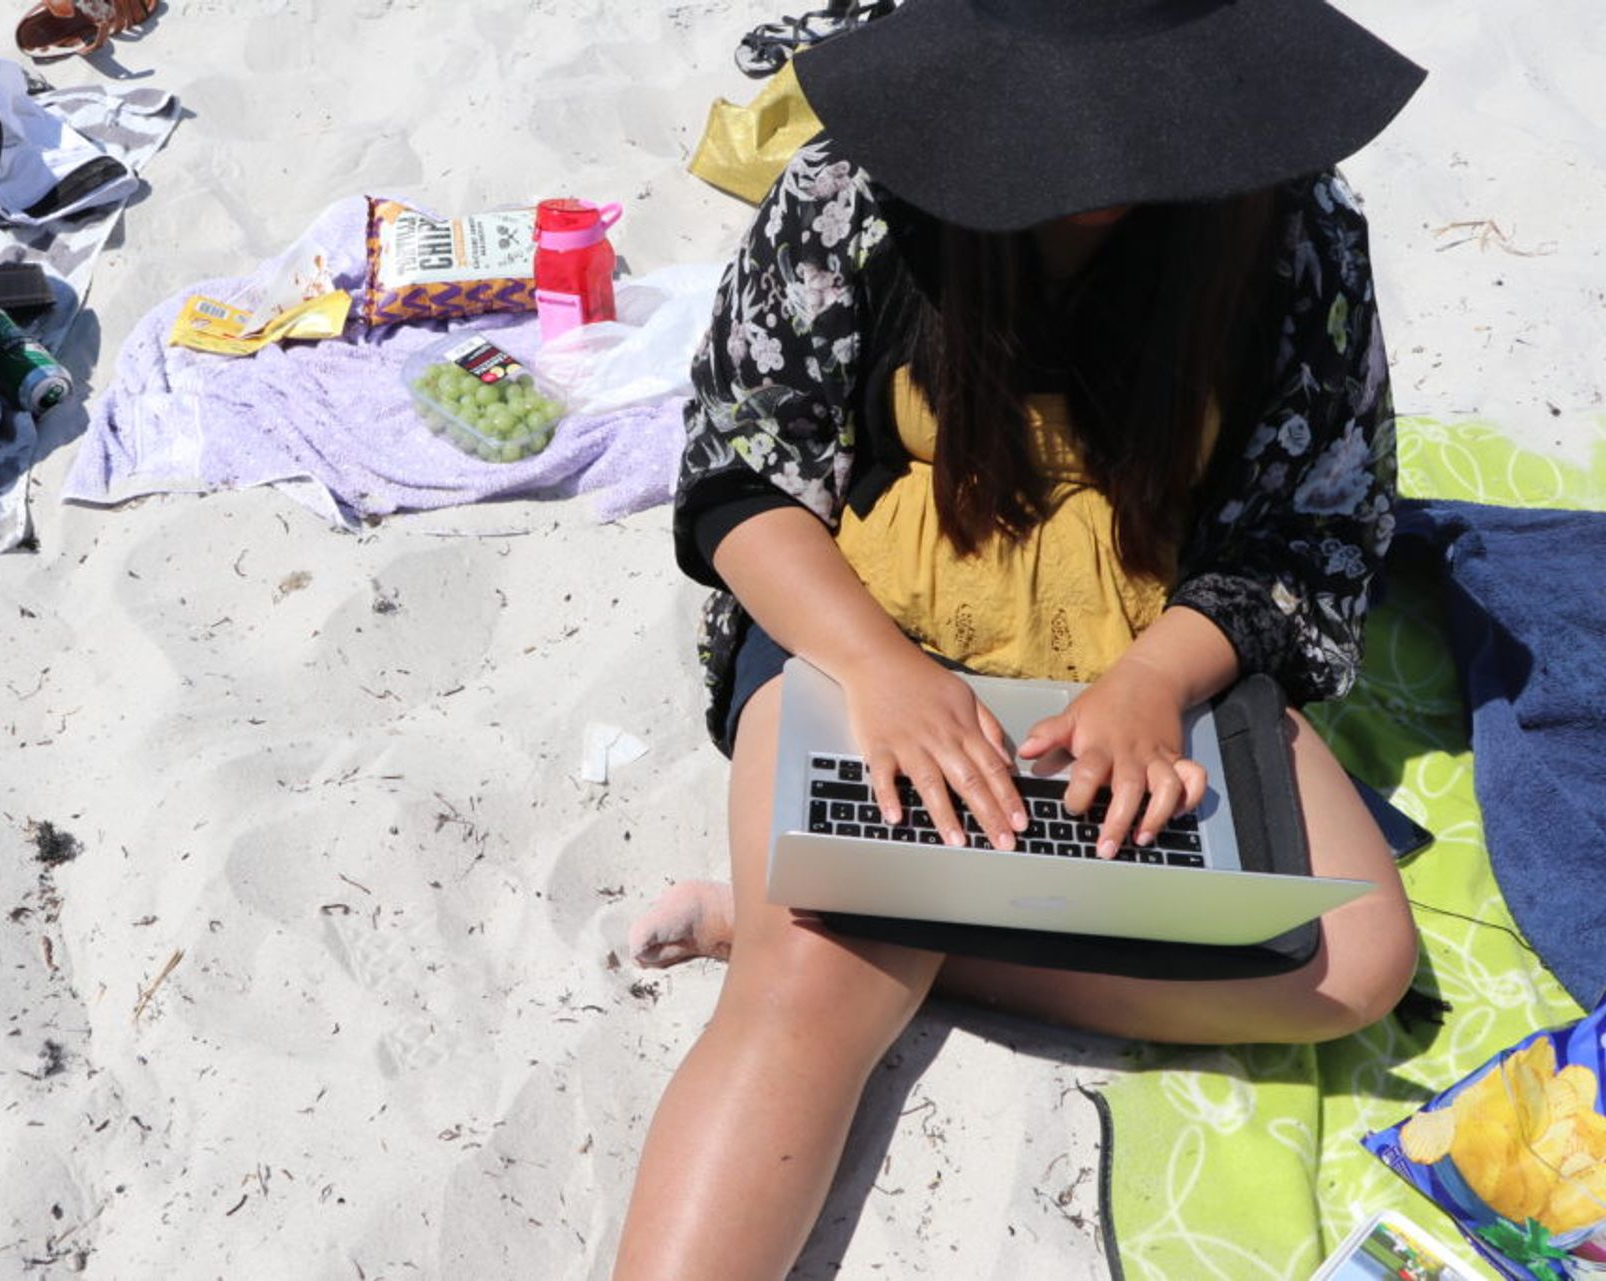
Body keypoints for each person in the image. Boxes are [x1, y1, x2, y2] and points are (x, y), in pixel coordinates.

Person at [611, 1, 1430, 1277]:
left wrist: (1156, 684)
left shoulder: (1294, 221)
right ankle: (814, 939)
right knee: (808, 992)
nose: (1092, 175)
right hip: (869, 625)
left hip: (1149, 629)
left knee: (1353, 961)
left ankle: (875, 934)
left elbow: (1313, 530)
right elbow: (741, 483)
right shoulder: (849, 188)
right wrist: (883, 677)